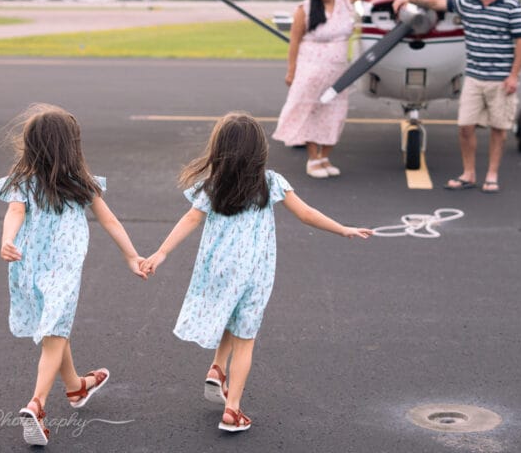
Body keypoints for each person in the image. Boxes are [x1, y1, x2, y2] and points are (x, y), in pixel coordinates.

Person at [140, 112, 372, 432]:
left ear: (220, 149)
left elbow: (190, 220)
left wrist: (161, 252)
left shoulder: (213, 185)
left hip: (218, 269)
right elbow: (306, 214)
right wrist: (343, 229)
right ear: (258, 152)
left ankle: (217, 370)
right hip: (253, 273)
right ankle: (232, 409)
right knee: (245, 339)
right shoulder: (271, 182)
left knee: (227, 314)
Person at [0, 103, 147, 446]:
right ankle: (38, 404)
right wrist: (132, 255)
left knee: (55, 330)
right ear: (71, 146)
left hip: (27, 268)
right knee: (55, 332)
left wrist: (7, 241)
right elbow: (110, 220)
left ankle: (76, 386)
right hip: (61, 271)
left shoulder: (25, 180)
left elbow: (15, 212)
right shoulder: (79, 183)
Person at [393, 0, 521, 193]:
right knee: (465, 127)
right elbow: (436, 2)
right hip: (474, 77)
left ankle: (492, 174)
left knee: (499, 129)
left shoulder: (512, 5)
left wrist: (514, 75)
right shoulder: (466, 2)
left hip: (500, 78)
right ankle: (469, 174)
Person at [273, 0, 396, 178]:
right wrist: (291, 70)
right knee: (312, 112)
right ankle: (313, 159)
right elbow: (294, 41)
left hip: (337, 72)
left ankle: (324, 157)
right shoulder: (305, 9)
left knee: (335, 113)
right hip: (310, 70)